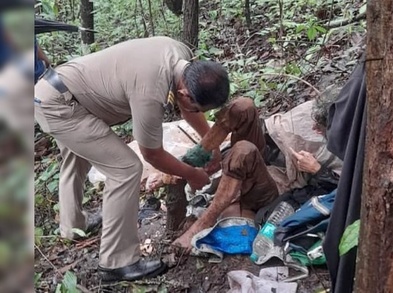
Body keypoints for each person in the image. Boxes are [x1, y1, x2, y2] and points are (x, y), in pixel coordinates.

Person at [34, 36, 230, 282]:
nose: (198, 114)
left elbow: (186, 107)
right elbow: (153, 154)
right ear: (185, 92)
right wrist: (191, 174)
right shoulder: (150, 90)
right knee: (125, 169)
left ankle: (72, 225)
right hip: (60, 105)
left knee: (77, 157)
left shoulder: (180, 55)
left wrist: (210, 144)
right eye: (199, 109)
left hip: (59, 90)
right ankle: (117, 263)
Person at [168, 91, 343, 251]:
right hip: (268, 152)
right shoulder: (323, 108)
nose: (314, 128)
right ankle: (195, 159)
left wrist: (317, 169)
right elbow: (275, 127)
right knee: (243, 106)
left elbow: (340, 194)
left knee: (244, 151)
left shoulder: (350, 147)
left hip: (278, 184)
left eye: (320, 126)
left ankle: (202, 223)